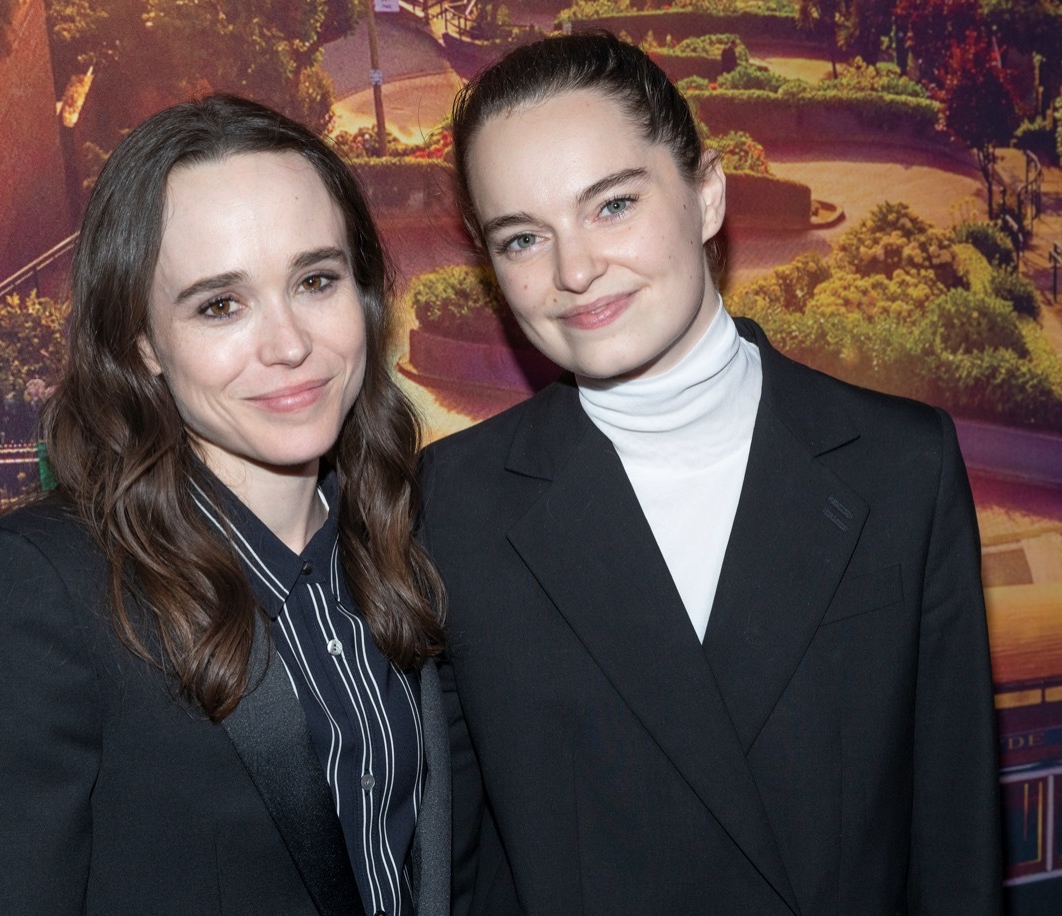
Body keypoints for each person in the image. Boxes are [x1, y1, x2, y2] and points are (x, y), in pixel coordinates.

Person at [418, 31, 1001, 915]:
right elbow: (461, 875)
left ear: (707, 194)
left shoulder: (901, 467)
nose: (575, 270)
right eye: (523, 238)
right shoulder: (447, 505)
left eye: (612, 206)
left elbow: (954, 850)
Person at [0, 94, 449, 916]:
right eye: (220, 305)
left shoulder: (406, 530)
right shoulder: (36, 592)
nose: (288, 344)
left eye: (316, 280)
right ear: (143, 344)